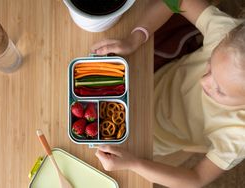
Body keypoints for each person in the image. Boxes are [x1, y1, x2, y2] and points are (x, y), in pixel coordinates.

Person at [91, 0, 245, 187]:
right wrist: (136, 38)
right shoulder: (227, 36)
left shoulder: (238, 135)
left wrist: (134, 163)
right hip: (150, 82)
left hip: (152, 139)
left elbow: (196, 178)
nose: (203, 81)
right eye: (210, 66)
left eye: (220, 90)